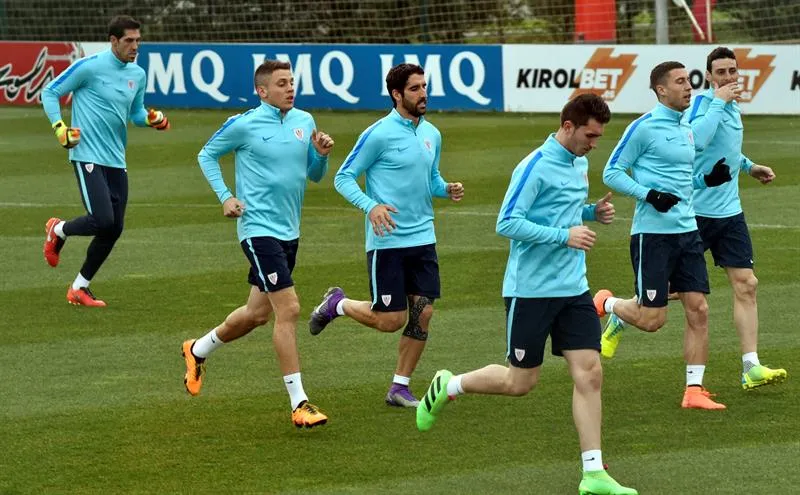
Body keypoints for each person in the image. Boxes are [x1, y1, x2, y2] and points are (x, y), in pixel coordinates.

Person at [415, 94, 637, 495]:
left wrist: (589, 213)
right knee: (520, 383)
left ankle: (593, 474)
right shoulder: (533, 166)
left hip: (574, 288)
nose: (594, 144)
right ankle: (449, 385)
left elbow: (561, 209)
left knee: (589, 373)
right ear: (567, 126)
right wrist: (563, 236)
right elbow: (507, 222)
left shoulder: (580, 161)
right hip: (531, 291)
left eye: (599, 136)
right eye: (590, 135)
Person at [181, 60, 333, 429]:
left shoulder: (304, 121)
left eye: (292, 82)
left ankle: (197, 349)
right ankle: (300, 403)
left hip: (289, 232)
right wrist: (225, 196)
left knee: (256, 314)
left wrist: (321, 155)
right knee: (290, 309)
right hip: (257, 229)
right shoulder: (244, 124)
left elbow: (313, 176)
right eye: (281, 83)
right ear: (262, 91)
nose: (289, 88)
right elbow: (206, 154)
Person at [307, 63, 464, 408]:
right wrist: (371, 206)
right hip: (388, 242)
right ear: (397, 94)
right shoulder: (378, 134)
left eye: (424, 86)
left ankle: (399, 387)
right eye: (415, 89)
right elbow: (344, 177)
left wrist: (445, 188)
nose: (423, 94)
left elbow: (431, 178)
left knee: (422, 313)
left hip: (423, 238)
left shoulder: (432, 134)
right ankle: (338, 304)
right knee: (391, 320)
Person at [594, 61, 733, 410]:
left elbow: (681, 179)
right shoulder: (643, 127)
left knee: (698, 309)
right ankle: (608, 304)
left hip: (688, 232)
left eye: (689, 80)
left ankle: (694, 390)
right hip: (653, 236)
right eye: (681, 81)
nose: (689, 87)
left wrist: (706, 181)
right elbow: (612, 172)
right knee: (653, 320)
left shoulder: (685, 126)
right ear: (661, 90)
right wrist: (649, 195)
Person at [41, 15, 169, 307]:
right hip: (87, 153)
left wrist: (151, 119)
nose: (135, 46)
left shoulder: (137, 74)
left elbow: (136, 113)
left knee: (114, 228)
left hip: (115, 157)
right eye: (129, 41)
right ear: (113, 41)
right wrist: (59, 128)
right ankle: (58, 229)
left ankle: (79, 287)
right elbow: (50, 92)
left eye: (138, 40)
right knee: (102, 219)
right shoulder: (90, 67)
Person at [684, 46, 786, 390]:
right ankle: (616, 310)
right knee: (666, 294)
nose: (729, 78)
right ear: (709, 77)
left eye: (733, 71)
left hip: (730, 213)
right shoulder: (702, 105)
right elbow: (697, 141)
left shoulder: (732, 108)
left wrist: (749, 166)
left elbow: (726, 148)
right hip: (694, 213)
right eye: (721, 72)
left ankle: (750, 366)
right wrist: (718, 101)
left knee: (747, 284)